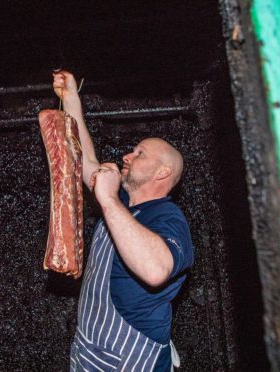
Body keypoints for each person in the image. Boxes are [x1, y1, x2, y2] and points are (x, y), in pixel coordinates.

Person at [52, 70, 194, 371]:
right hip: (91, 351)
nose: (127, 156)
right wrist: (72, 101)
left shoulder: (168, 217)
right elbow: (84, 161)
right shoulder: (123, 202)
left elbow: (156, 270)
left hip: (133, 358)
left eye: (140, 154)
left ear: (162, 173)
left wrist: (109, 199)